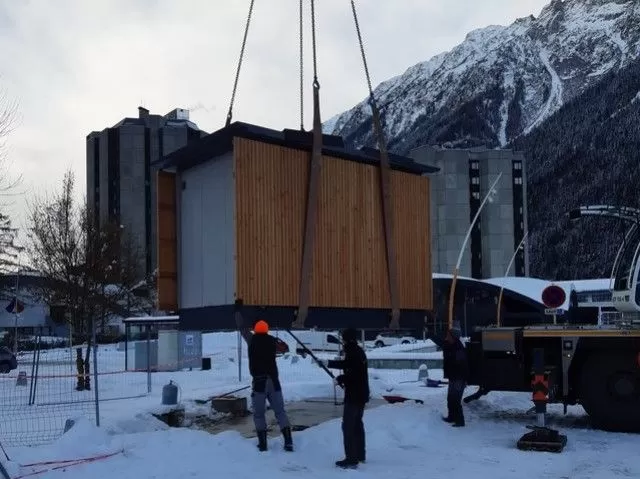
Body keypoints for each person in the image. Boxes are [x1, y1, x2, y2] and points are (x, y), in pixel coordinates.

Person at [326, 328, 370, 469]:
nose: (342, 340)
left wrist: (340, 378)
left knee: (348, 426)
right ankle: (360, 454)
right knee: (357, 424)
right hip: (362, 394)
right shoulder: (358, 351)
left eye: (343, 338)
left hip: (354, 395)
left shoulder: (352, 353)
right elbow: (349, 366)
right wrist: (329, 363)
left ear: (346, 339)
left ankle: (351, 459)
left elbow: (353, 374)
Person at [248, 319, 293, 452]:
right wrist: (278, 340)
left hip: (259, 383)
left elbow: (242, 328)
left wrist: (238, 312)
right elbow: (285, 349)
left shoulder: (251, 339)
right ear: (267, 329)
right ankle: (288, 442)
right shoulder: (272, 340)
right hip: (274, 382)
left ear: (255, 329)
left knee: (259, 414)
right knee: (280, 412)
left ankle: (263, 444)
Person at [428, 321, 469, 427]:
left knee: (455, 400)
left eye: (448, 335)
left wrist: (464, 380)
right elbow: (439, 342)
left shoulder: (458, 348)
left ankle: (460, 421)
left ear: (453, 337)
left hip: (459, 378)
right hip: (453, 377)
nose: (446, 336)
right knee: (450, 398)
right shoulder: (448, 344)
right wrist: (430, 334)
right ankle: (451, 417)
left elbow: (463, 366)